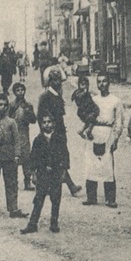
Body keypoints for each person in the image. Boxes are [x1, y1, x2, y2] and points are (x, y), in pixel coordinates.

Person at [21, 112, 71, 235]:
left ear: (54, 123)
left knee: (55, 198)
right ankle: (32, 224)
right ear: (41, 124)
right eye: (44, 122)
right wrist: (33, 173)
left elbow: (65, 155)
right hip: (43, 173)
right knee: (38, 198)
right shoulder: (38, 140)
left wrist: (64, 171)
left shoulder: (59, 138)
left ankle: (54, 223)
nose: (47, 124)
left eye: (49, 122)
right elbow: (33, 157)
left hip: (56, 173)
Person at [37, 67, 83, 196]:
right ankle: (70, 185)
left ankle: (69, 185)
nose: (57, 83)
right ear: (49, 82)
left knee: (60, 158)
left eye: (58, 80)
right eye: (54, 81)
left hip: (60, 132)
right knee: (54, 159)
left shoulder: (58, 95)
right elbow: (40, 116)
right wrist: (45, 134)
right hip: (51, 133)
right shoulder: (46, 96)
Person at [83, 72, 125, 207]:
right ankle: (91, 197)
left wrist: (116, 139)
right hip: (94, 132)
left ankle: (110, 198)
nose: (102, 84)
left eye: (104, 81)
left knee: (107, 167)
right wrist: (87, 132)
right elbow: (87, 117)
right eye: (99, 82)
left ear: (109, 83)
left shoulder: (116, 101)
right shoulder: (93, 100)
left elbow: (119, 122)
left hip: (108, 133)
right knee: (91, 165)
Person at [9, 81, 38, 191]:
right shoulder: (11, 105)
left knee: (26, 157)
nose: (20, 92)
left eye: (22, 90)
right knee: (14, 158)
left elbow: (34, 120)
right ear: (14, 92)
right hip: (13, 133)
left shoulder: (28, 105)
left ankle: (27, 181)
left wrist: (28, 112)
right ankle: (13, 182)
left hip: (24, 132)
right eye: (18, 90)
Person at [71, 74, 99, 140]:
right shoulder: (79, 92)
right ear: (79, 84)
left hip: (88, 110)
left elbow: (93, 93)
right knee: (92, 119)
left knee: (89, 121)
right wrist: (85, 92)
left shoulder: (85, 92)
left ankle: (81, 131)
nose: (85, 86)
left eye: (86, 85)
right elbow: (77, 96)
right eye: (83, 84)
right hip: (84, 111)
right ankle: (88, 131)